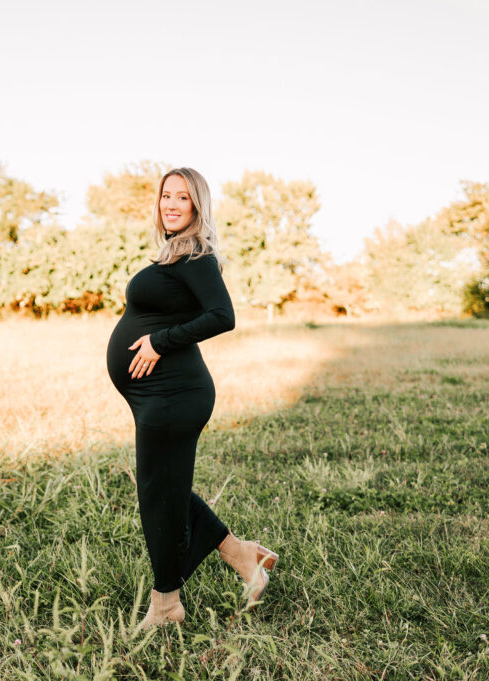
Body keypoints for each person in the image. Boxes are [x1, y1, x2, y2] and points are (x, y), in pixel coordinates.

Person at [105, 167, 279, 630]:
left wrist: (160, 341)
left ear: (197, 206)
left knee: (158, 495)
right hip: (156, 396)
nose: (172, 204)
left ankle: (167, 606)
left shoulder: (198, 255)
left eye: (183, 197)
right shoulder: (173, 255)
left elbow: (223, 315)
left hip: (175, 394)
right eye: (166, 196)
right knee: (164, 489)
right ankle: (242, 555)